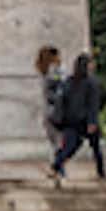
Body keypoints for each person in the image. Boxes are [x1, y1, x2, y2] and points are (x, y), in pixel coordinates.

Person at [34, 45, 66, 174]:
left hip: (48, 111)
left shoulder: (43, 70)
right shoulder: (55, 72)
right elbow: (61, 88)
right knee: (60, 143)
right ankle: (59, 169)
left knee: (56, 143)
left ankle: (57, 168)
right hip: (57, 111)